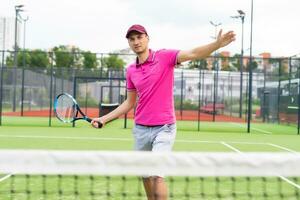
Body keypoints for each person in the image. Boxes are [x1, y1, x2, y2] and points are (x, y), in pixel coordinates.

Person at [91, 24, 235, 200]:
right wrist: (104, 119)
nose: (136, 41)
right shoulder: (130, 70)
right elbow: (129, 103)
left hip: (164, 128)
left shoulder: (165, 57)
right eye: (132, 39)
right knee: (144, 174)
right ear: (129, 43)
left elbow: (194, 53)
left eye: (139, 37)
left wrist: (216, 44)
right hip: (141, 129)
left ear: (147, 38)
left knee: (157, 175)